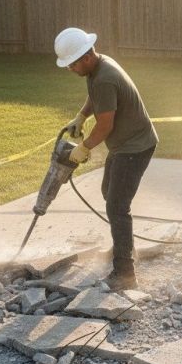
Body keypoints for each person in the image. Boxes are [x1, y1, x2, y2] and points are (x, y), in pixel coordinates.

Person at [55, 27, 158, 291]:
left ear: (85, 57)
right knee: (108, 193)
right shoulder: (99, 67)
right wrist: (81, 116)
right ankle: (124, 245)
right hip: (125, 144)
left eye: (71, 64)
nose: (69, 70)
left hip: (134, 147)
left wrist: (84, 148)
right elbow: (96, 97)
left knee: (117, 205)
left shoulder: (104, 77)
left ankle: (124, 273)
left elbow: (106, 126)